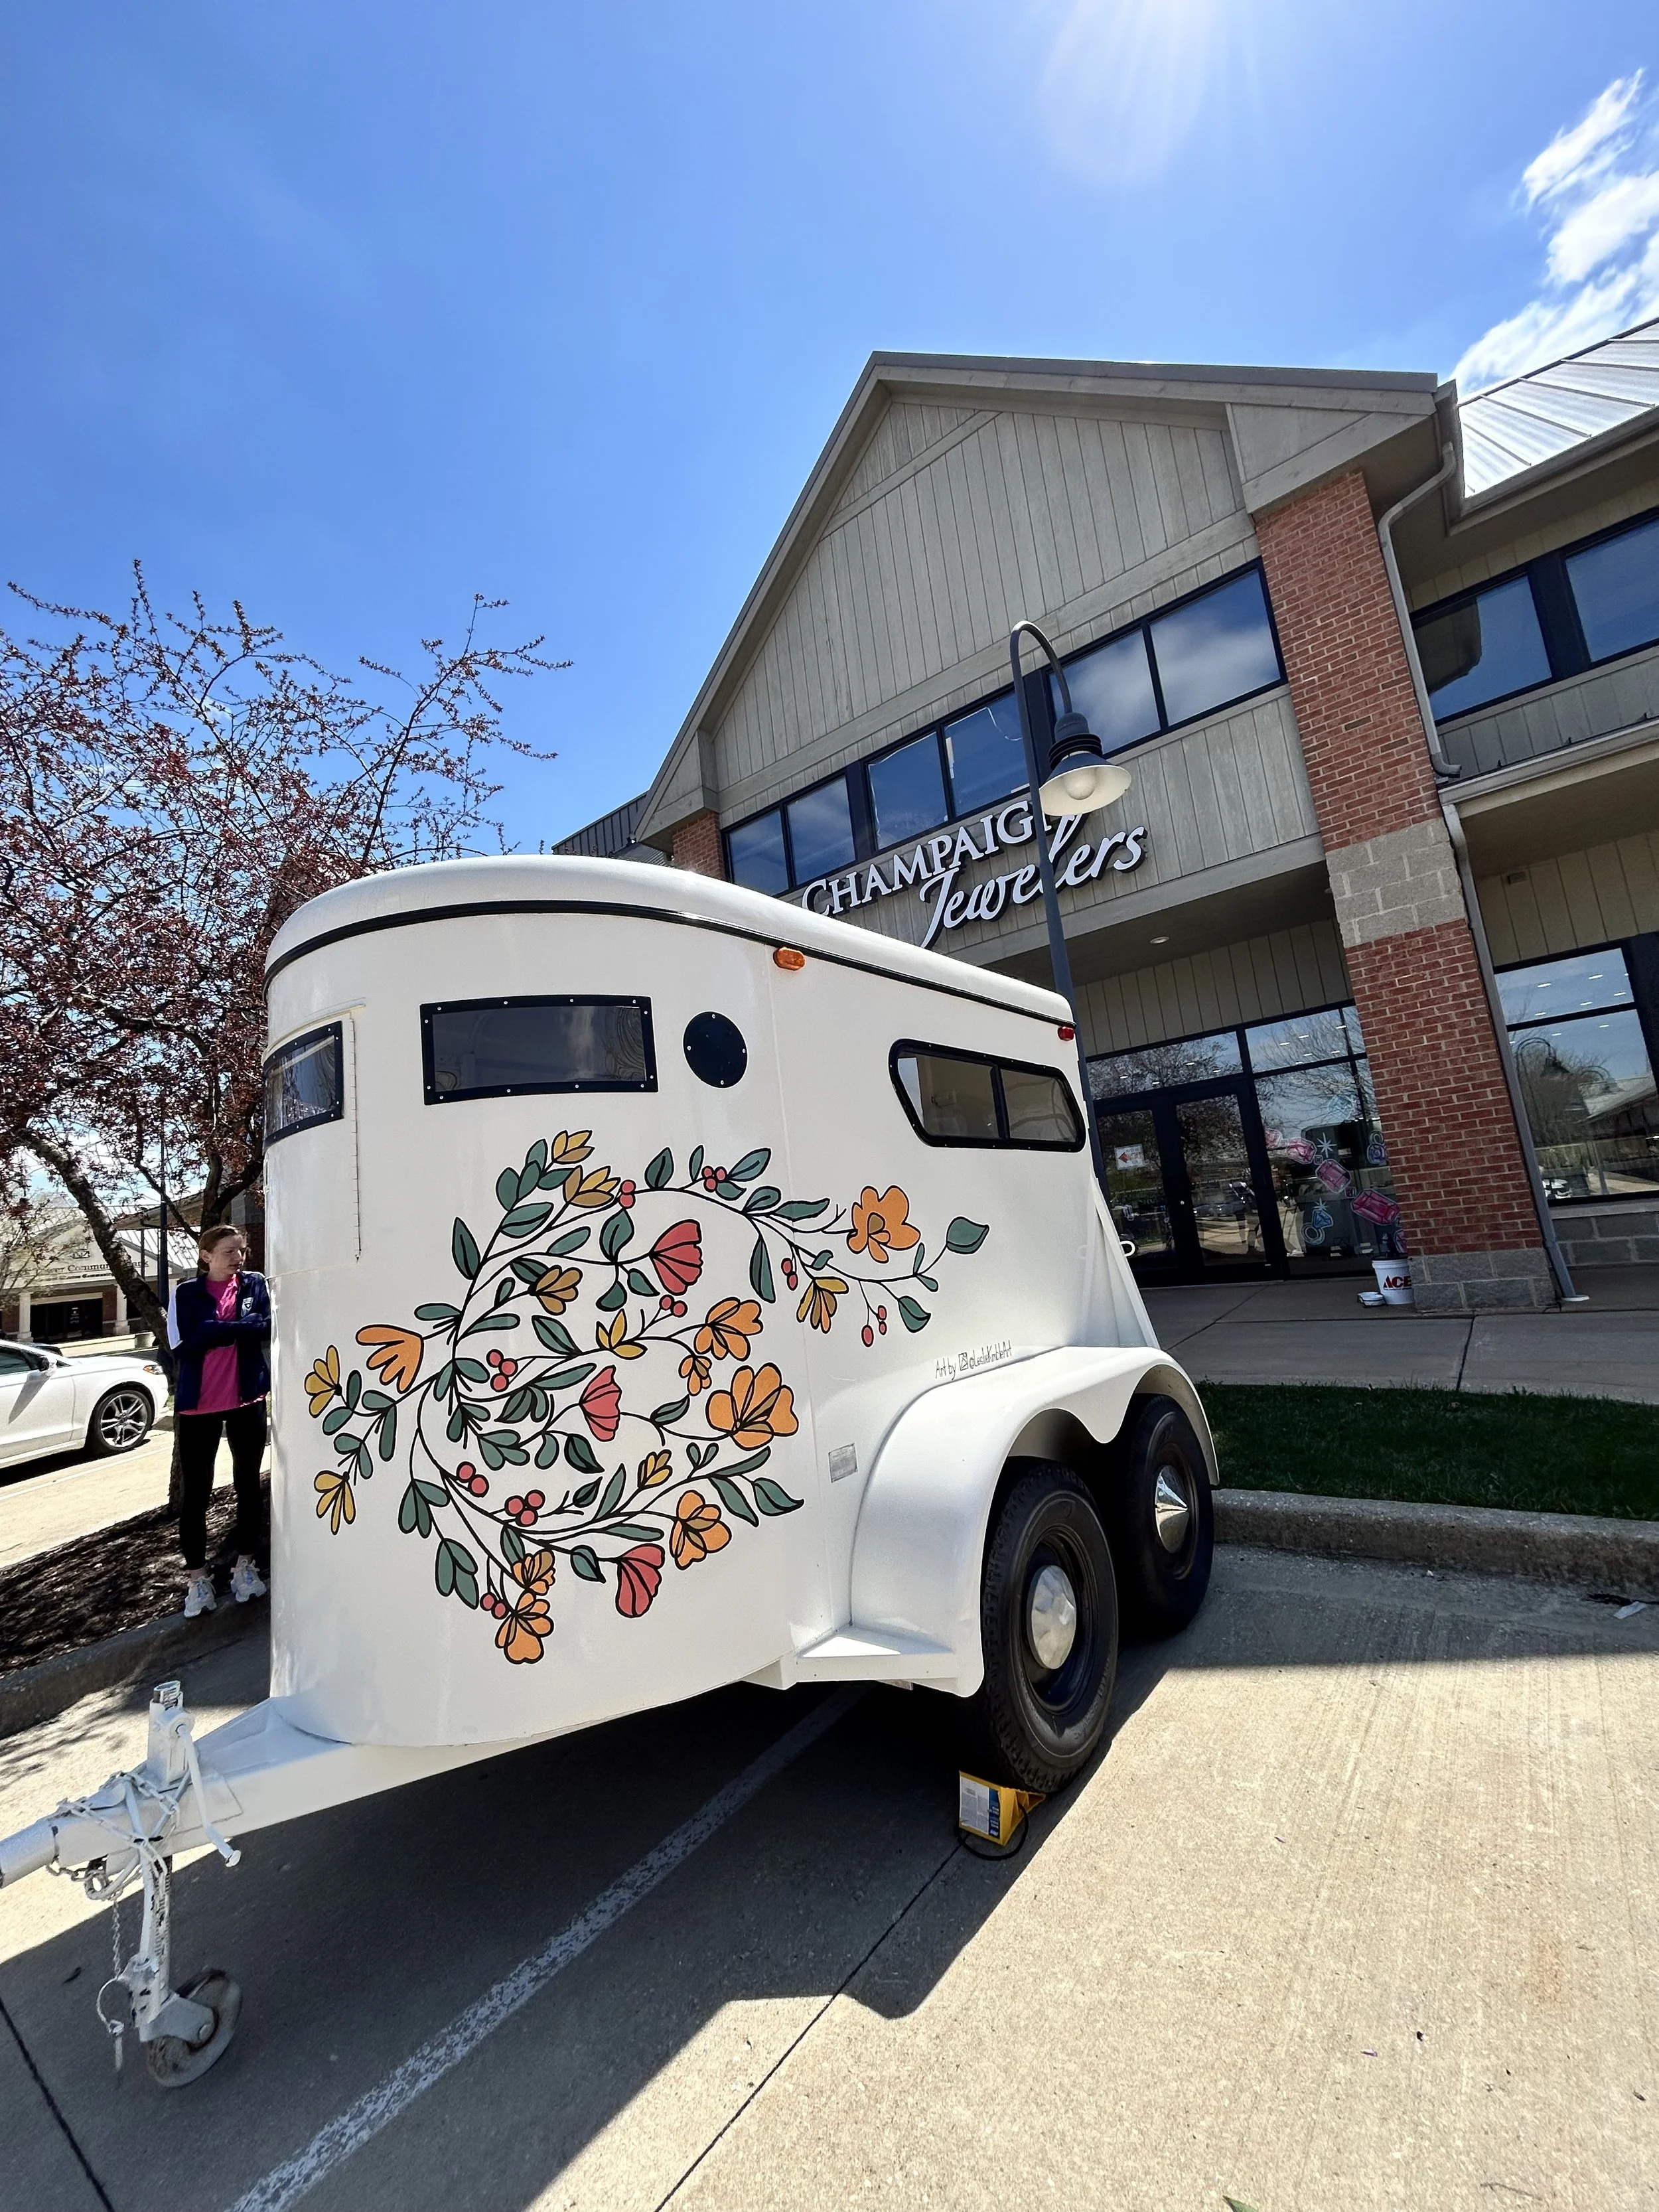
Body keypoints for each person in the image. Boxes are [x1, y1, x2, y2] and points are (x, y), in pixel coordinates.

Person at [172, 1224, 271, 1617]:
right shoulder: (186, 1293)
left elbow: (264, 1326)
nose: (238, 1257)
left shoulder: (254, 1284)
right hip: (199, 1406)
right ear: (206, 1255)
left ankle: (246, 1566)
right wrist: (231, 1331)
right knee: (196, 1492)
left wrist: (216, 1331)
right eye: (229, 1251)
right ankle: (198, 1579)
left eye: (242, 1250)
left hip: (247, 1399)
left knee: (249, 1482)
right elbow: (186, 1342)